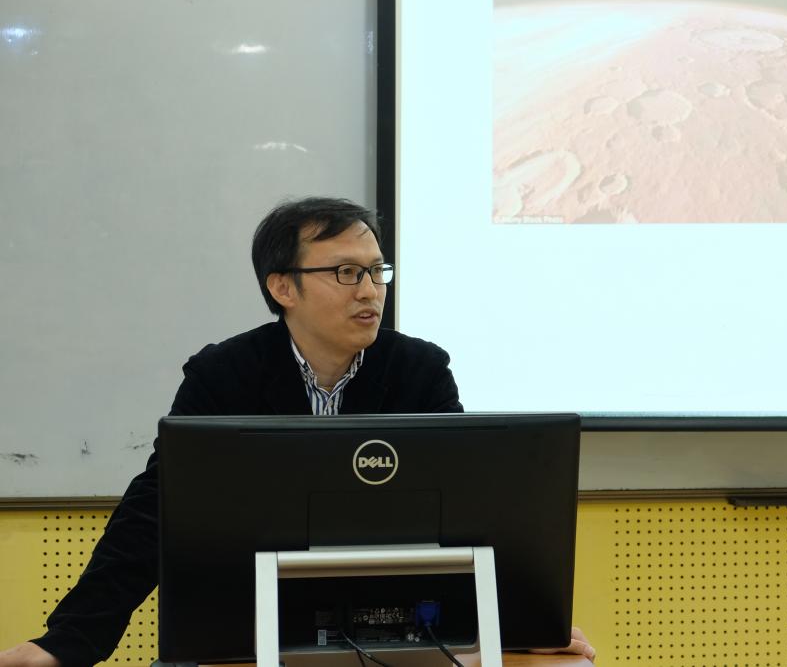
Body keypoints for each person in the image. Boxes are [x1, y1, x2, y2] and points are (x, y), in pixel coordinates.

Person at [0, 198, 595, 666]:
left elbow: (470, 518)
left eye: (376, 271)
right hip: (245, 630)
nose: (370, 290)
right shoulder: (224, 375)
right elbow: (157, 511)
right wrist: (68, 642)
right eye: (346, 272)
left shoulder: (420, 371)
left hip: (397, 627)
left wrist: (524, 626)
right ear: (282, 287)